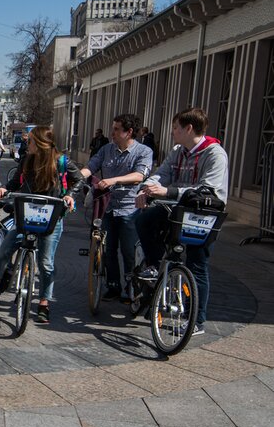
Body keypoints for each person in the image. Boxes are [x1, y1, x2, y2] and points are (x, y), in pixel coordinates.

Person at [134, 107, 229, 336]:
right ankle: (155, 265)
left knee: (197, 263)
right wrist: (146, 188)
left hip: (202, 215)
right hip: (176, 211)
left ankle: (197, 319)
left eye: (175, 128)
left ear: (188, 128)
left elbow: (208, 189)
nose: (172, 132)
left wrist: (167, 191)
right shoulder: (178, 151)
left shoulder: (214, 154)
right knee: (144, 220)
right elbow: (162, 173)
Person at [0, 126, 83, 323]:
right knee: (4, 250)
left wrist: (70, 196)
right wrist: (4, 188)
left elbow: (78, 179)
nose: (28, 144)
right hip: (27, 215)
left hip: (51, 218)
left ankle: (44, 303)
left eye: (31, 141)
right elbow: (15, 182)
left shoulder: (60, 161)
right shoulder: (28, 160)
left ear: (41, 143)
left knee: (46, 264)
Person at [80, 114, 153, 302]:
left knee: (129, 251)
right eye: (113, 128)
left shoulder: (143, 151)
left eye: (116, 129)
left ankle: (132, 288)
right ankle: (113, 286)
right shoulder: (106, 149)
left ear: (129, 132)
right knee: (107, 249)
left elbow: (139, 176)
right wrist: (76, 176)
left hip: (130, 209)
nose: (112, 133)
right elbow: (92, 166)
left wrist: (113, 180)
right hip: (108, 207)